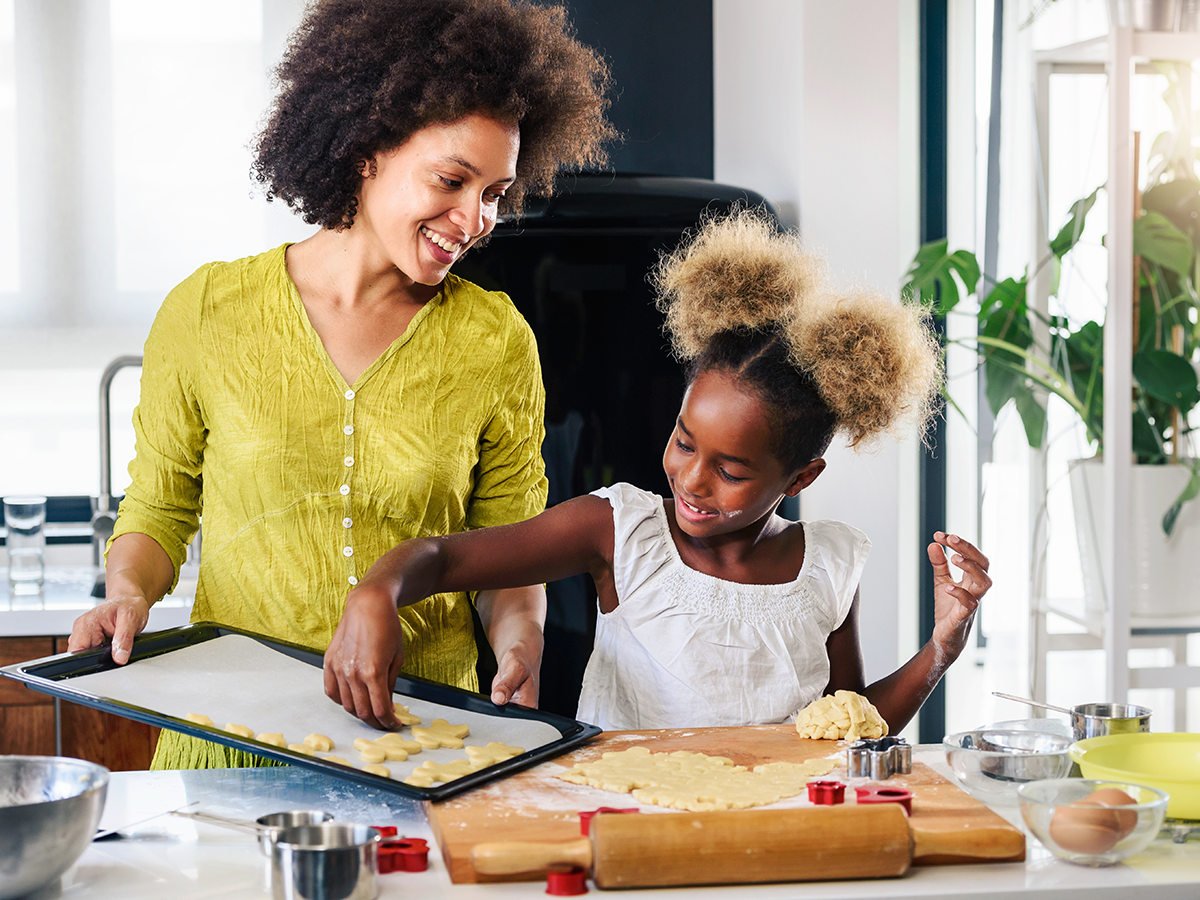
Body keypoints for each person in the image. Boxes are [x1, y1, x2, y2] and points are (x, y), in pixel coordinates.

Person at [67, 0, 615, 766]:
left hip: (422, 743)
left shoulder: (496, 342)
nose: (476, 218)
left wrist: (519, 641)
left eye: (493, 193)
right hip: (232, 739)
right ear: (367, 149)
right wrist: (127, 594)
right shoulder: (206, 312)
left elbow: (507, 549)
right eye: (452, 180)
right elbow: (159, 506)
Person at [324, 208, 992, 732]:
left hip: (773, 840)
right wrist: (377, 591)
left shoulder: (829, 564)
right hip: (628, 826)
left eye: (731, 470)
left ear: (800, 480)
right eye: (683, 441)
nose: (692, 479)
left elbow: (849, 727)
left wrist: (943, 645)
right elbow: (441, 558)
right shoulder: (618, 531)